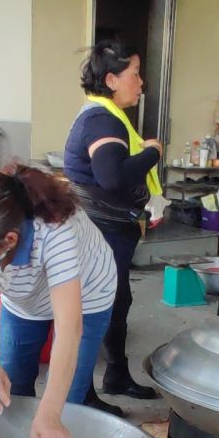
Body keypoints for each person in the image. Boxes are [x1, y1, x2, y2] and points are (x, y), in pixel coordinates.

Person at [0, 166, 117, 438]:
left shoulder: (55, 231)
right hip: (22, 298)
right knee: (10, 382)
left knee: (65, 402)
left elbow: (69, 329)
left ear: (9, 240)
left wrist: (50, 412)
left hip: (88, 293)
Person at [63, 39, 162, 417]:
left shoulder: (105, 114)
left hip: (111, 229)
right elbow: (112, 177)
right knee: (95, 308)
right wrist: (153, 152)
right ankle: (82, 394)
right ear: (111, 79)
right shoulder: (102, 120)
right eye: (135, 74)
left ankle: (116, 375)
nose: (141, 82)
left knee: (117, 302)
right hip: (100, 232)